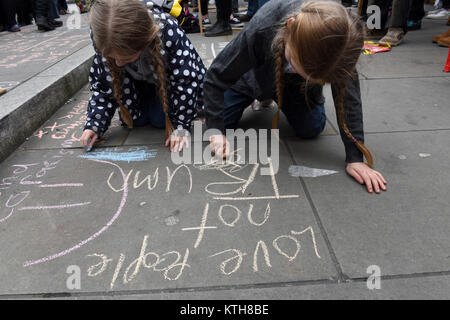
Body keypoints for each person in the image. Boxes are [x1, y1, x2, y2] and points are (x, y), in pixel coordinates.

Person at [204, 0, 387, 194]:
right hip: (251, 75)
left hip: (295, 87)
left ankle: (289, 89)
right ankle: (259, 93)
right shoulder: (264, 25)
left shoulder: (341, 40)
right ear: (290, 26)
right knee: (220, 121)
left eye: (316, 79)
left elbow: (348, 96)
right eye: (300, 65)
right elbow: (216, 76)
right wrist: (216, 131)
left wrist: (355, 156)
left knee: (311, 128)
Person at [80, 0, 207, 152]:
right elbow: (104, 85)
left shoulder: (167, 30)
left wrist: (181, 126)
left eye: (126, 58)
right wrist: (94, 123)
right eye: (113, 58)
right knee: (136, 120)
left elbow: (185, 82)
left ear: (144, 42)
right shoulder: (103, 37)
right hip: (135, 84)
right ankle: (145, 103)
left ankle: (157, 104)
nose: (119, 64)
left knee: (159, 120)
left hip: (166, 84)